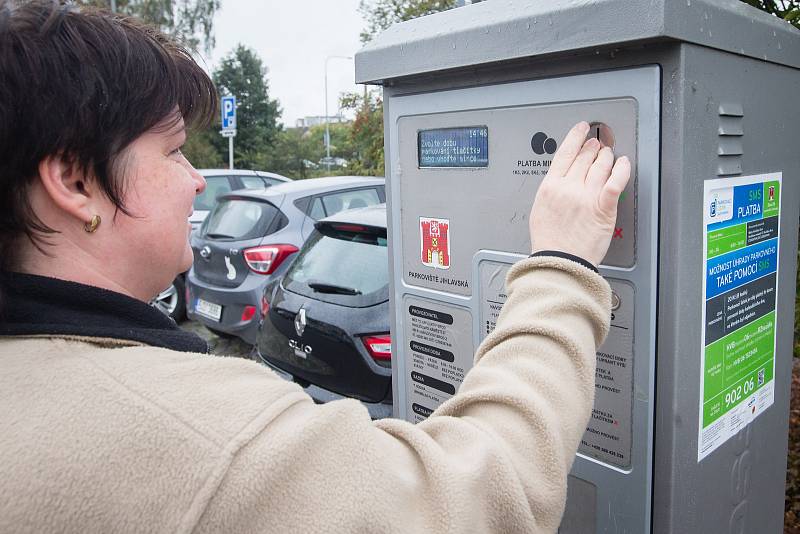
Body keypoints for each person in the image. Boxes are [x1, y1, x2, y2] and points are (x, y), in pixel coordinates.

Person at [0, 2, 630, 533]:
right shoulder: (202, 438)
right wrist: (561, 262)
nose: (196, 182)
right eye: (172, 151)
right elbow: (491, 495)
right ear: (76, 180)